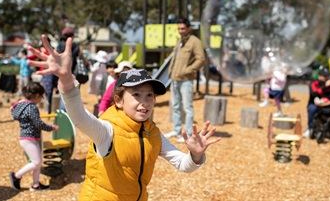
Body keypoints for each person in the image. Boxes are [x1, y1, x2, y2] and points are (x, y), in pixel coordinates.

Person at [27, 35, 221, 200]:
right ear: (118, 101)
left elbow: (183, 165)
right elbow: (80, 118)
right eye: (136, 95)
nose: (144, 102)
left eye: (149, 96)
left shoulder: (152, 133)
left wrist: (195, 155)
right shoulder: (107, 130)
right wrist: (67, 81)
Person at [9, 82, 59, 192]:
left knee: (37, 161)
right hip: (29, 138)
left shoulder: (22, 105)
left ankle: (36, 185)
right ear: (36, 96)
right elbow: (38, 124)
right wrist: (51, 127)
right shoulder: (32, 107)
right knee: (36, 162)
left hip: (28, 138)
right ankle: (16, 176)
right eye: (41, 97)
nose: (41, 99)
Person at [165, 17, 205, 143]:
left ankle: (187, 134)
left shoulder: (195, 42)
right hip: (174, 79)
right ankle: (176, 130)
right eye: (178, 28)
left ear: (188, 28)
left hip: (186, 80)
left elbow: (201, 59)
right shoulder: (179, 41)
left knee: (187, 108)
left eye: (182, 28)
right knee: (175, 106)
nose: (180, 31)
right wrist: (171, 72)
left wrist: (187, 70)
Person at [303, 67, 330, 138]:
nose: (327, 78)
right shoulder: (314, 83)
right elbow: (314, 94)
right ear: (319, 76)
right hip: (315, 104)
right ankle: (310, 128)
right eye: (325, 76)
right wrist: (325, 86)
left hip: (328, 105)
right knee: (312, 109)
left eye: (327, 76)